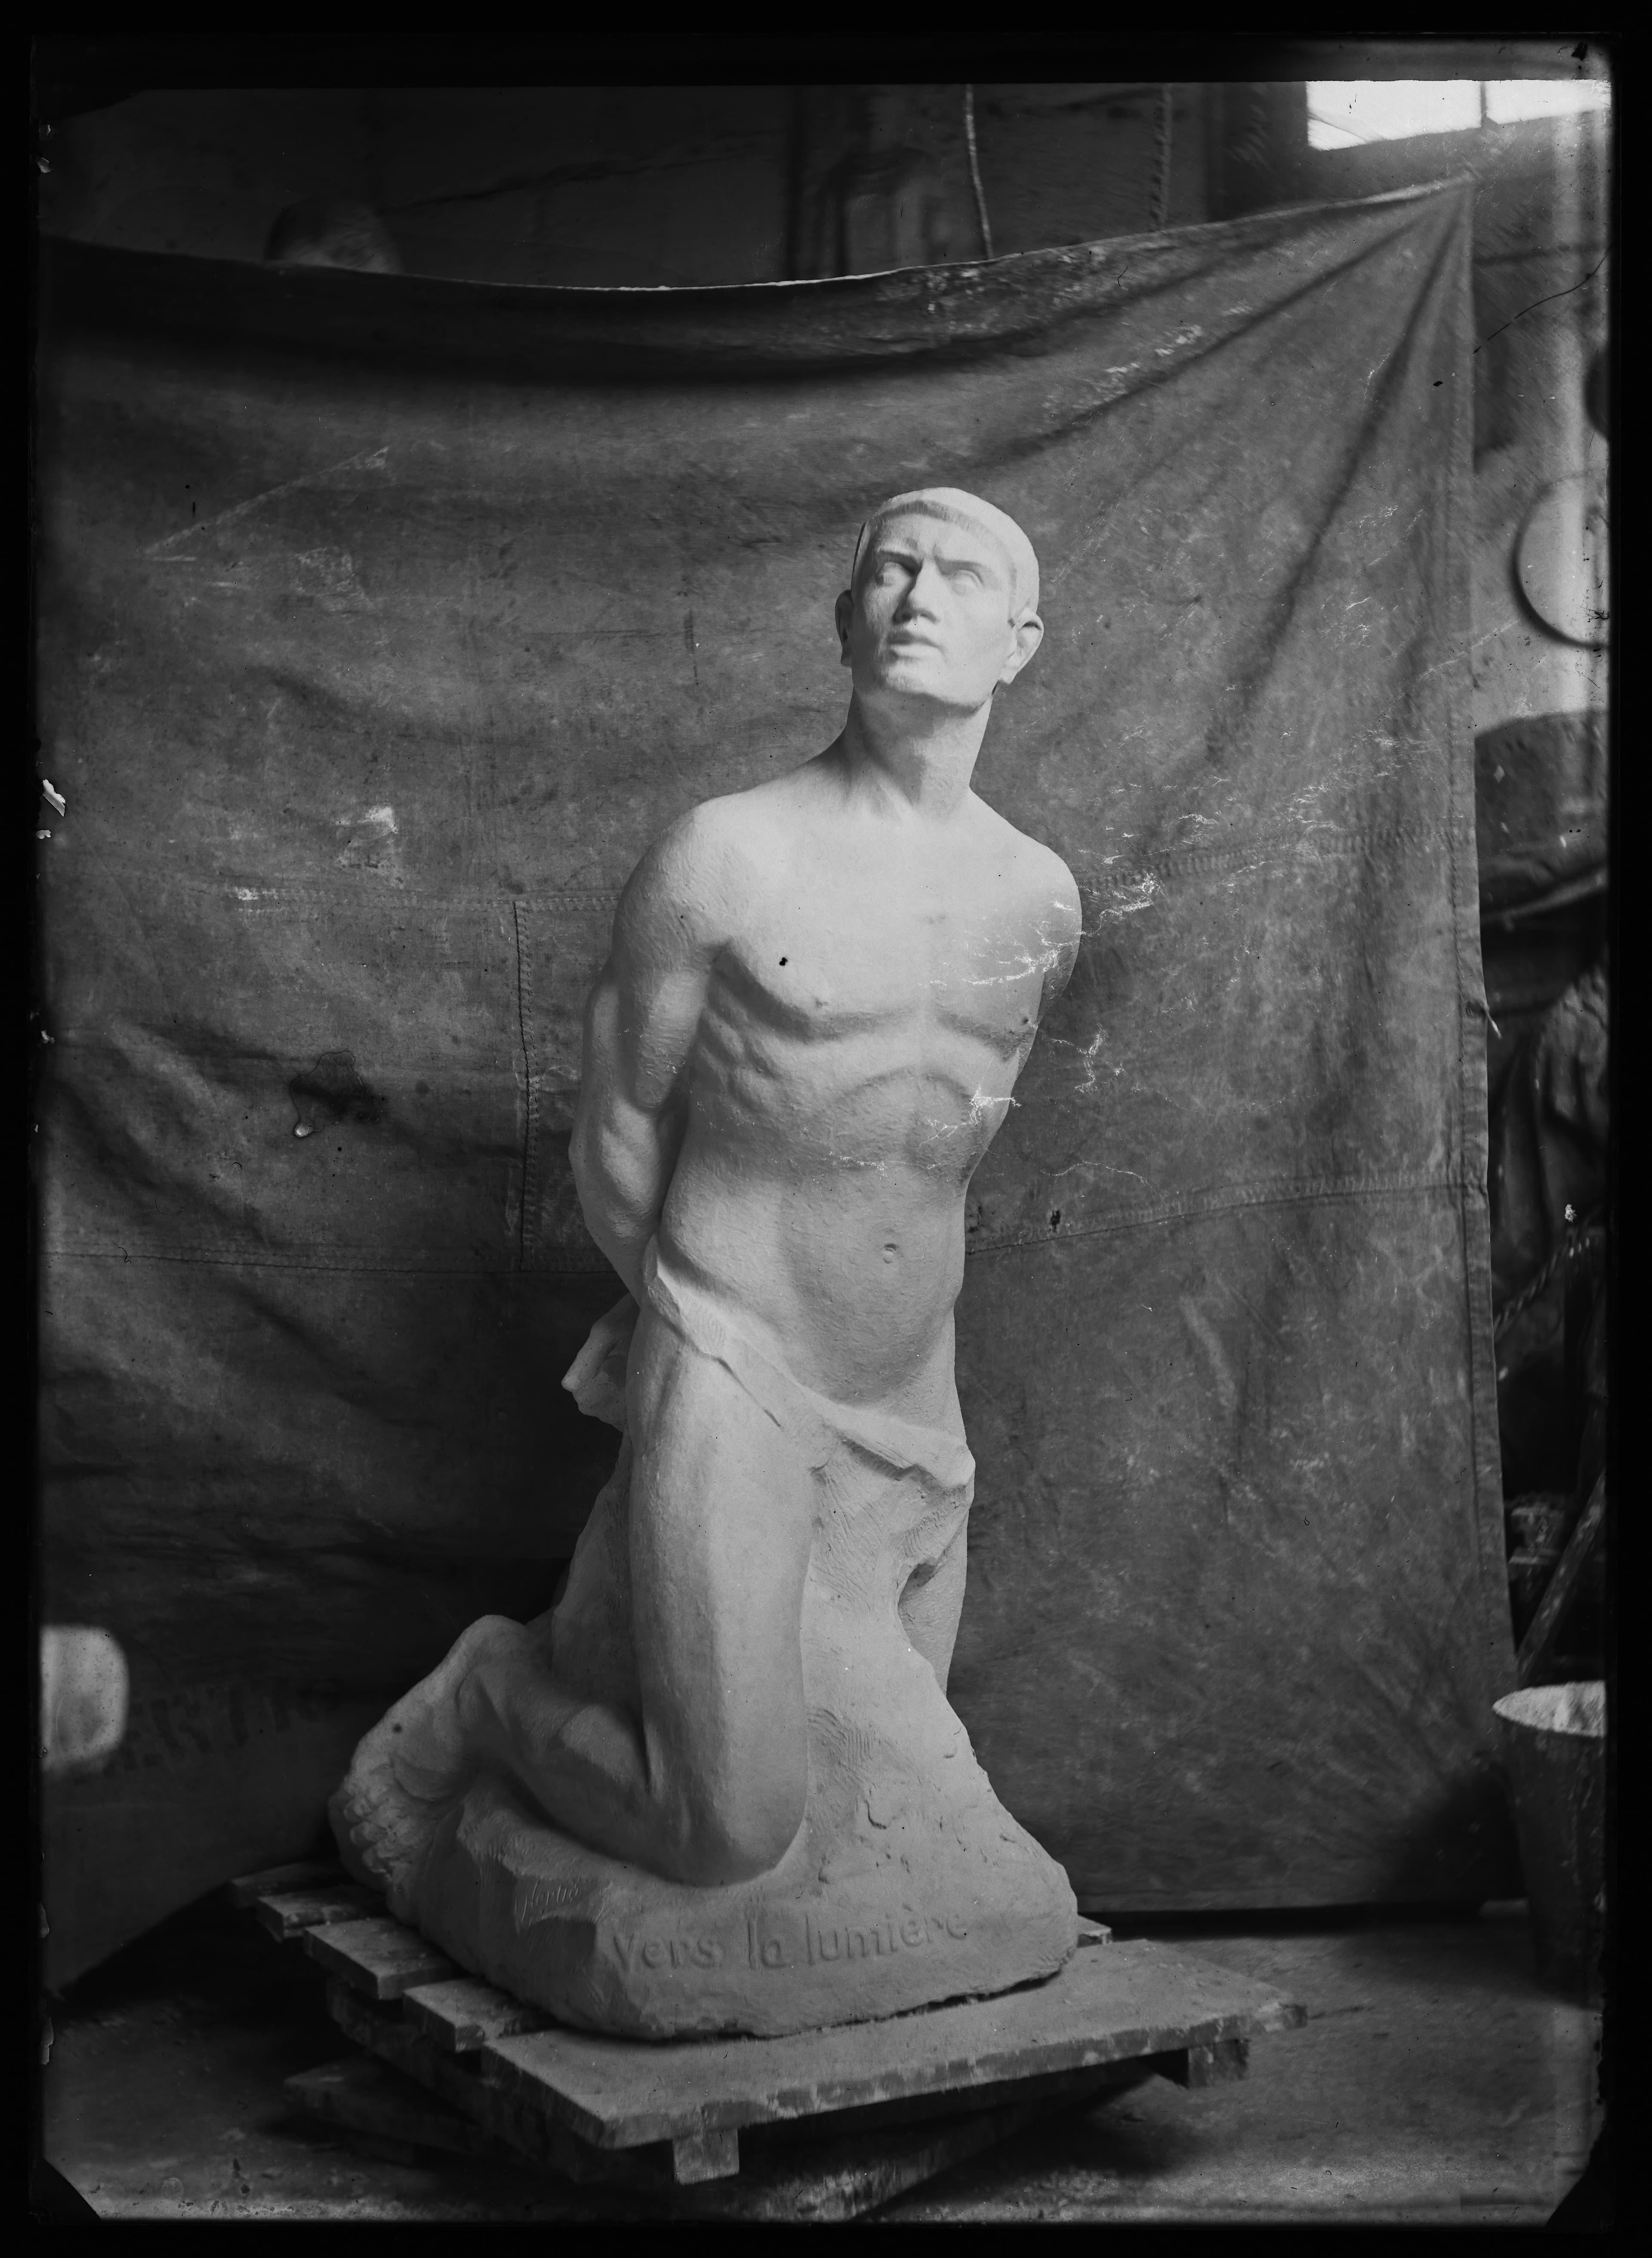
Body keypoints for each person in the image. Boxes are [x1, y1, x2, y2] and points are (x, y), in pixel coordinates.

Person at [332, 488, 1081, 1938]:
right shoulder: (728, 859)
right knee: (725, 1829)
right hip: (743, 1362)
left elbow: (931, 1156)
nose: (919, 598)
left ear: (1021, 642)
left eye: (961, 576)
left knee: (895, 1802)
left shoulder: (1040, 900)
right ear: (845, 618)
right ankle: (492, 1693)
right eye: (891, 570)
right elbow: (617, 1129)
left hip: (913, 1397)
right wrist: (701, 1334)